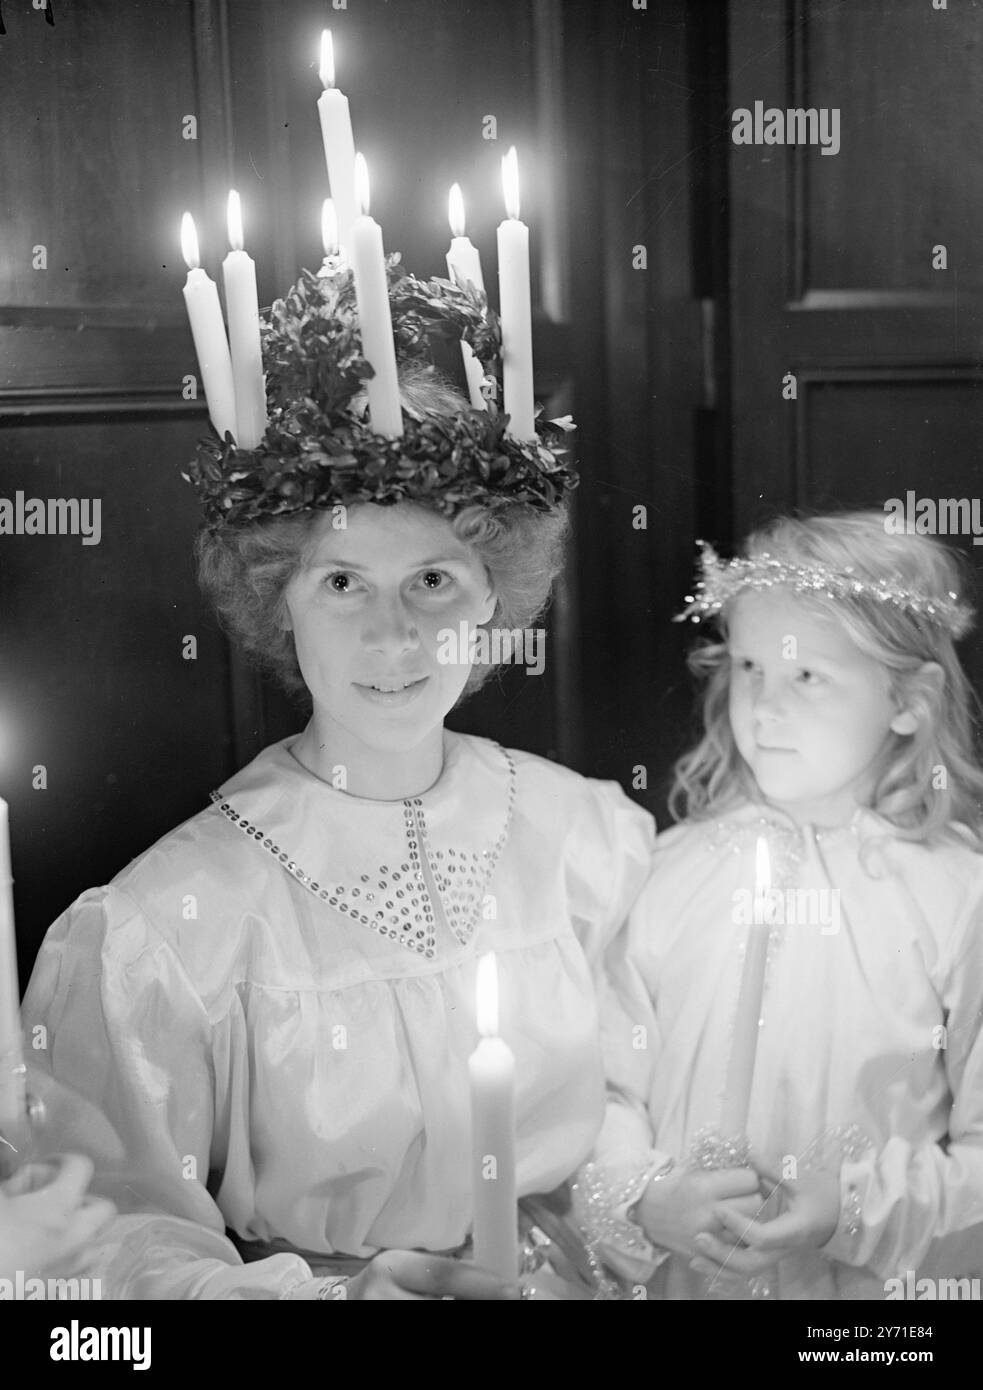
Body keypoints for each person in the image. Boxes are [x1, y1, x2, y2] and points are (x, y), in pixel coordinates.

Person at [20, 265, 656, 1299]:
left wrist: (634, 1197)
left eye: (433, 581)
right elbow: (99, 1250)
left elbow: (637, 1102)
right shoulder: (162, 930)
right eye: (344, 582)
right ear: (280, 600)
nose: (393, 634)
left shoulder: (587, 838)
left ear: (494, 592)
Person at [579, 510, 983, 1299]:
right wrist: (643, 1196)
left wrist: (855, 1206)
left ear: (909, 699)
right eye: (750, 667)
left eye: (808, 676)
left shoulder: (957, 899)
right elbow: (603, 1085)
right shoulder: (667, 872)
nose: (763, 707)